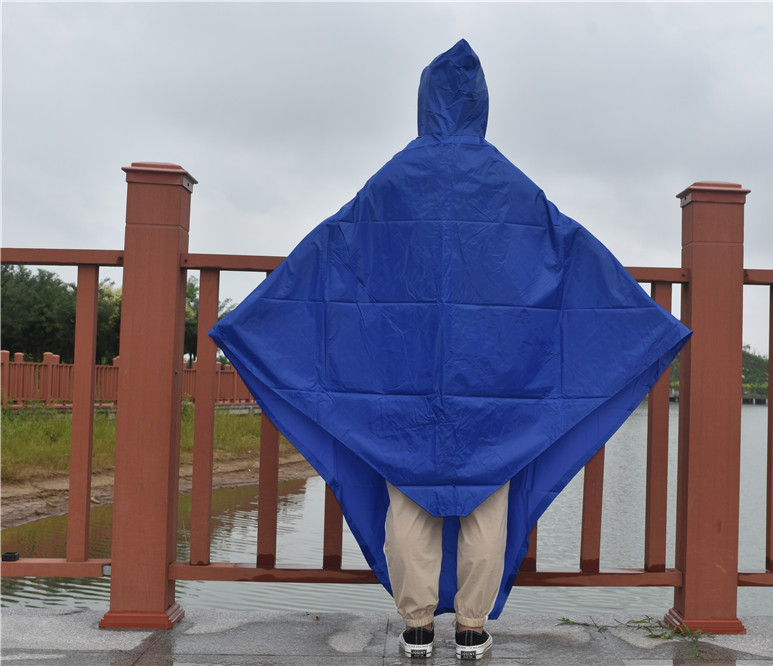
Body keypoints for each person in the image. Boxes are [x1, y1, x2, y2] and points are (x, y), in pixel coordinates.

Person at [209, 40, 690, 660]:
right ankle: (470, 626)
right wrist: (641, 320)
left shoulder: (395, 178)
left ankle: (414, 628)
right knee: (489, 501)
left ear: (423, 103)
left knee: (406, 499)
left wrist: (258, 319)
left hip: (398, 381)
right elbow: (566, 251)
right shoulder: (508, 181)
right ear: (481, 105)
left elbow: (335, 250)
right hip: (498, 380)